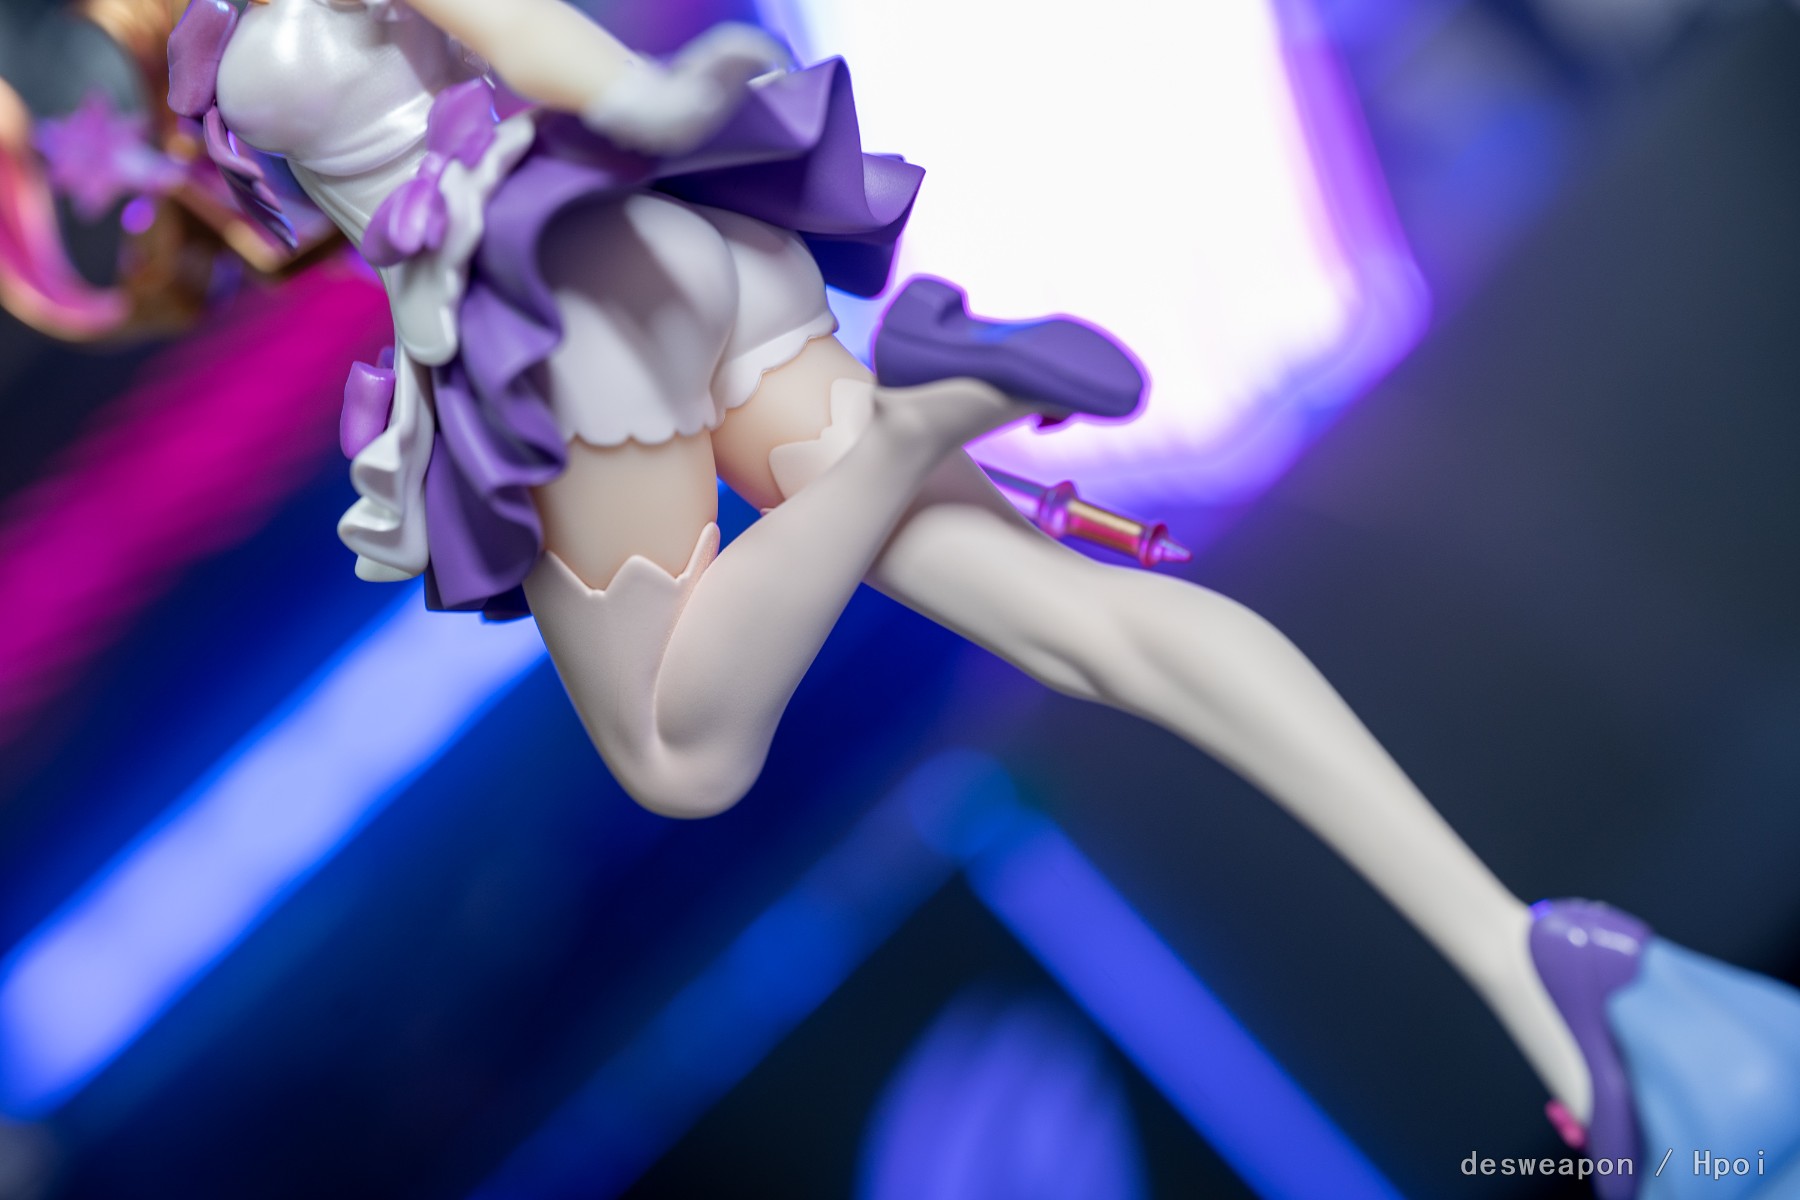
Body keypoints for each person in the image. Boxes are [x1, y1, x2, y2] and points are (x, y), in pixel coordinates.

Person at [169, 2, 1800, 1195]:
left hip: (565, 320)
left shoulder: (250, 50)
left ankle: (913, 421)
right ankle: (1571, 989)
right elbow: (596, 83)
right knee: (1090, 629)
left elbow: (420, 171)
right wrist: (686, 113)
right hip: (664, 255)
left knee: (683, 752)